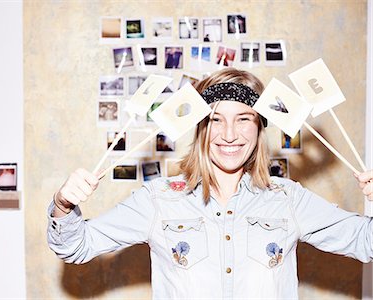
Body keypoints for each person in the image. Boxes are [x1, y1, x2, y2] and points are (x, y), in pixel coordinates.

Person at [47, 68, 373, 299]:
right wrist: (63, 205)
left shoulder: (289, 198)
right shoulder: (157, 199)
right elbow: (76, 246)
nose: (229, 134)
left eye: (243, 119)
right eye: (216, 119)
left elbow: (364, 242)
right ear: (200, 128)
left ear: (260, 129)